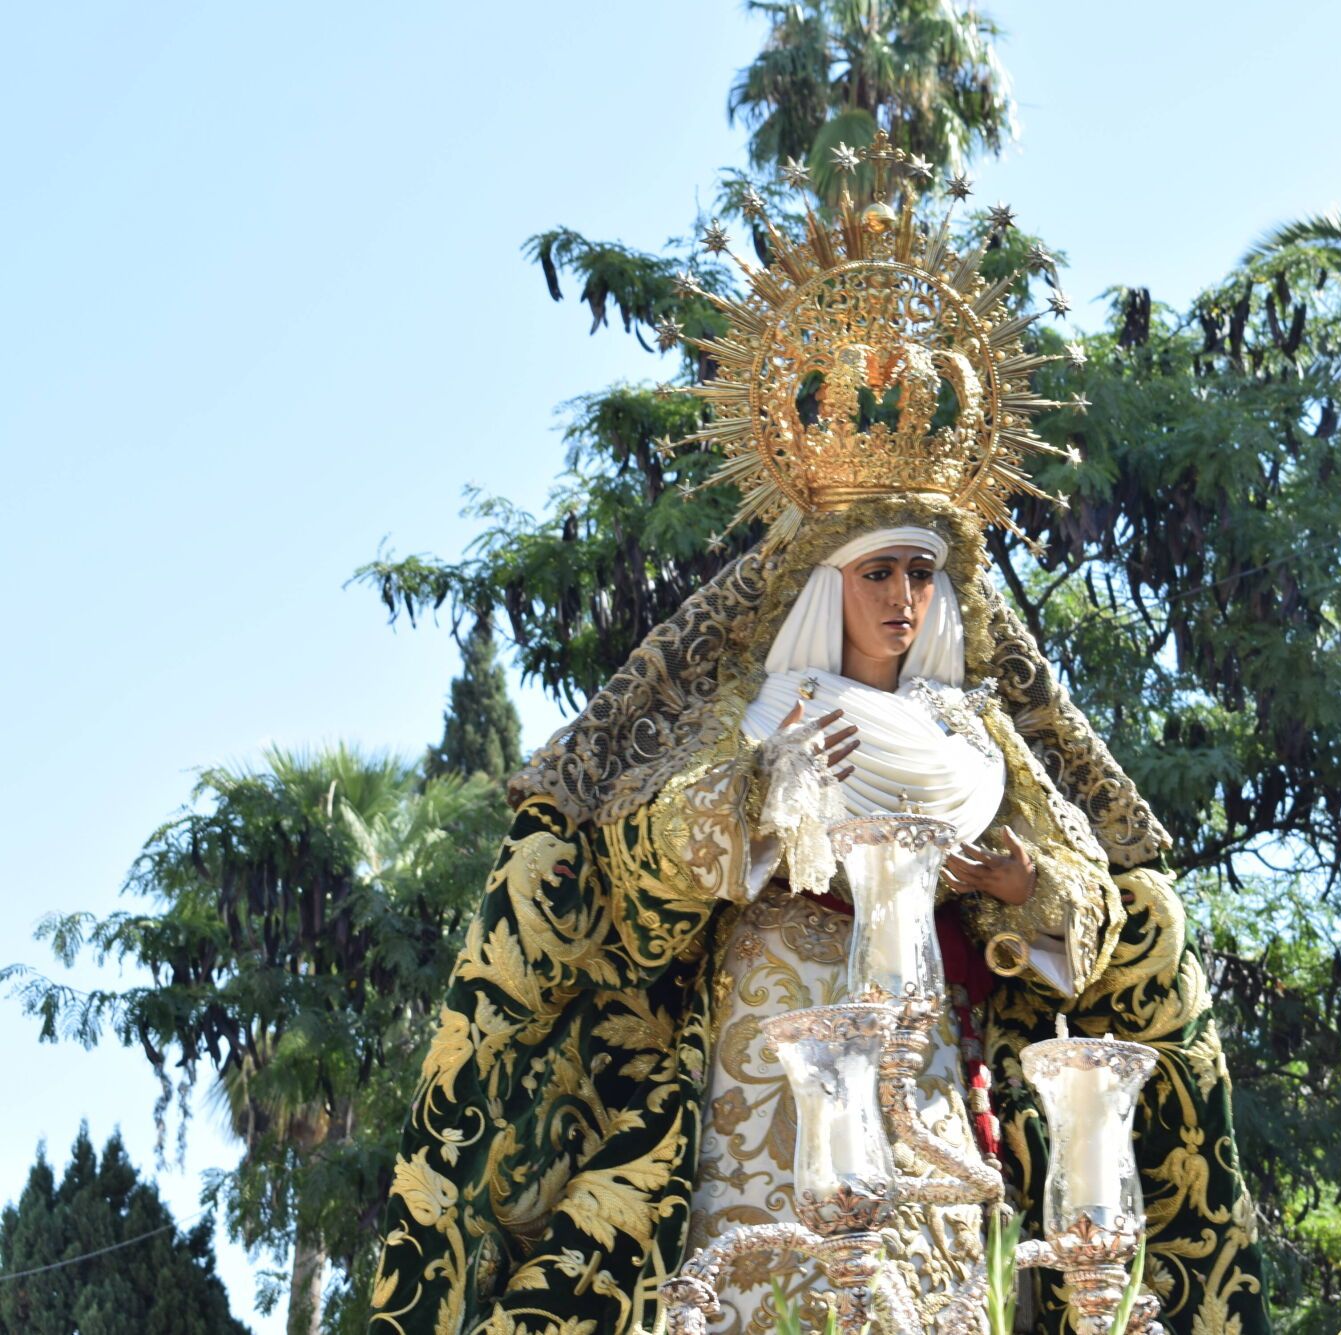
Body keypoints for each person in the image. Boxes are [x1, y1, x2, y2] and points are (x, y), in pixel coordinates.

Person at [369, 152, 1269, 1335]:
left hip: (930, 1058)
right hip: (774, 1033)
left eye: (920, 575)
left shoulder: (974, 733)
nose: (903, 598)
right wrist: (765, 798)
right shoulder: (760, 712)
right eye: (878, 572)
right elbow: (639, 860)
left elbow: (1095, 901)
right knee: (775, 1280)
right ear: (826, 585)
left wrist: (1021, 890)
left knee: (930, 1288)